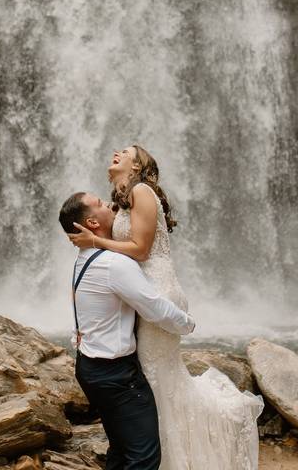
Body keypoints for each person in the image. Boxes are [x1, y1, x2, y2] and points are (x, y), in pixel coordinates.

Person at [68, 146, 263, 469]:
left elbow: (141, 250)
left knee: (156, 379)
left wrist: (96, 242)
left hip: (156, 288)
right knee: (152, 381)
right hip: (137, 290)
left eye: (127, 151)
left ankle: (164, 457)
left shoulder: (142, 191)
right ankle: (155, 454)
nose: (117, 151)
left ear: (138, 166)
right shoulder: (123, 198)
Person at [59, 191, 196, 470]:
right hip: (116, 375)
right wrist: (188, 324)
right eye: (99, 204)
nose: (109, 204)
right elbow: (154, 307)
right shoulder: (114, 263)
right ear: (92, 223)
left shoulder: (85, 259)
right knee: (144, 458)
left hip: (89, 367)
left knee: (121, 451)